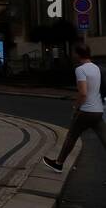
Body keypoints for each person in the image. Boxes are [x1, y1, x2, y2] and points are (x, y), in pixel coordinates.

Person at [44, 43, 106, 172]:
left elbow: (83, 93)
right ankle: (58, 163)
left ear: (78, 54)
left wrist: (76, 107)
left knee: (71, 136)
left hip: (86, 111)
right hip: (98, 110)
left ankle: (59, 163)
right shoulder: (97, 68)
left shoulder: (80, 69)